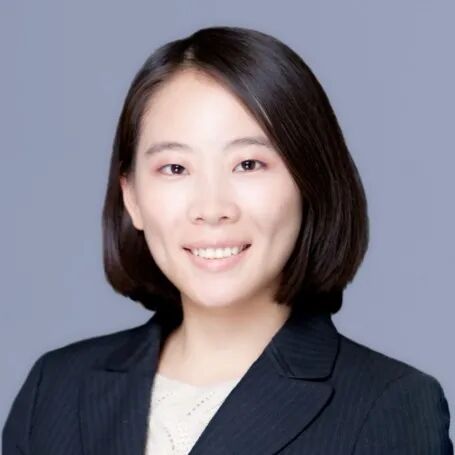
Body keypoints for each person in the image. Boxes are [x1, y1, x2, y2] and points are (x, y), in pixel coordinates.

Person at [2, 25, 452, 455]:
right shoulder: (56, 389)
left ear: (309, 182)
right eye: (175, 168)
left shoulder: (389, 406)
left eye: (248, 165)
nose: (212, 207)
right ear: (132, 197)